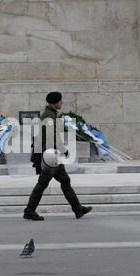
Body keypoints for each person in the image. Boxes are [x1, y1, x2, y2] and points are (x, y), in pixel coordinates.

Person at [24, 92, 93, 221]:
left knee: (65, 181)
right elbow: (53, 137)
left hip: (51, 155)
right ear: (54, 102)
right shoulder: (49, 117)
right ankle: (29, 210)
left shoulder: (49, 115)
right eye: (60, 101)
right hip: (49, 157)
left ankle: (78, 209)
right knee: (42, 184)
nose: (62, 102)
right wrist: (64, 150)